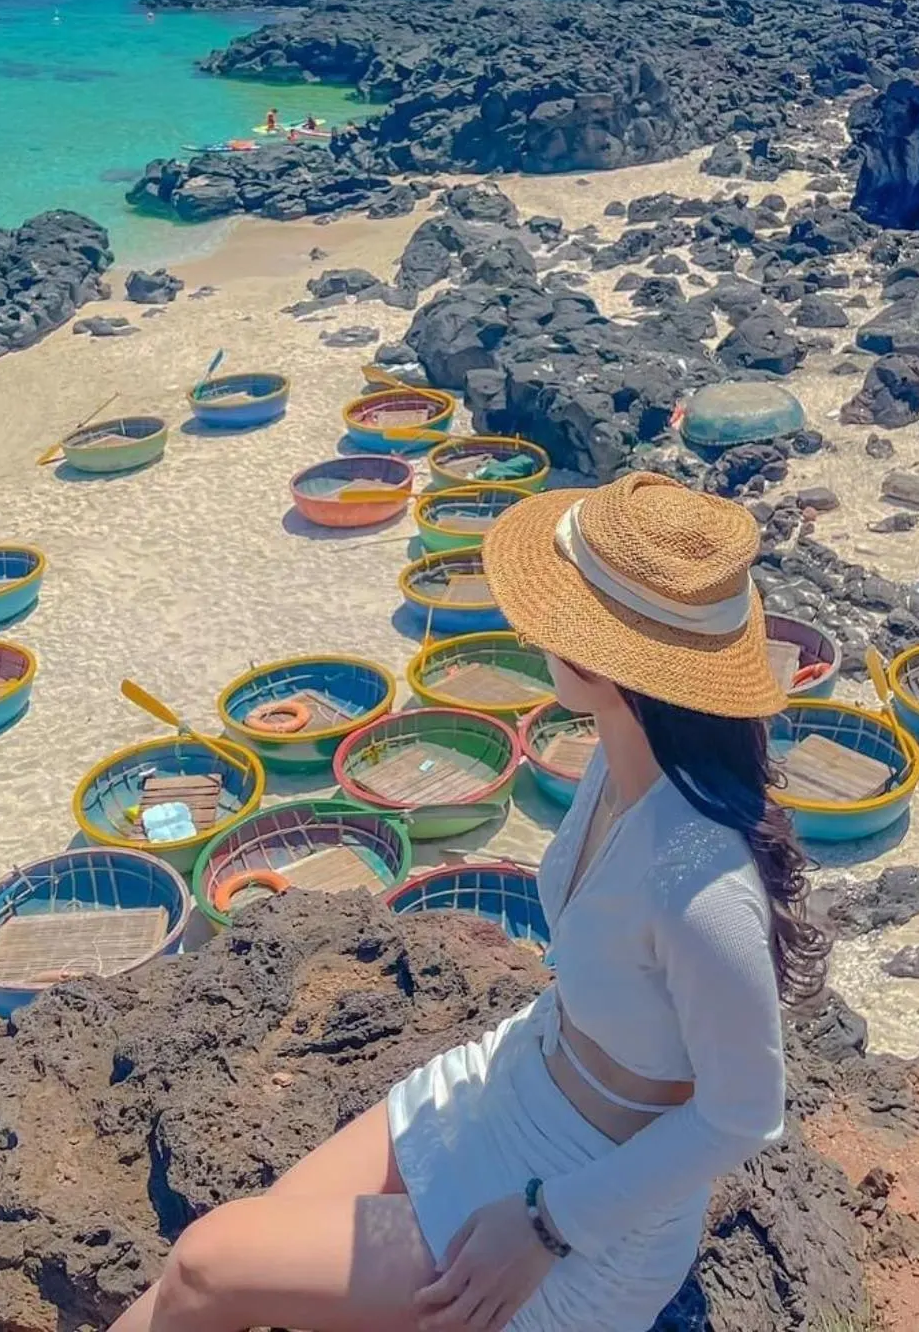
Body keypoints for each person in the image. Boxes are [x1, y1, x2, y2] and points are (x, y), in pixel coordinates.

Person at [108, 473, 829, 1332]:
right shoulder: (616, 757)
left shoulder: (701, 881)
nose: (532, 630)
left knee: (207, 1266)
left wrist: (546, 1225)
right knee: (237, 1247)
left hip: (585, 1211)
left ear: (604, 664)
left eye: (557, 616)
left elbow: (744, 1115)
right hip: (506, 1083)